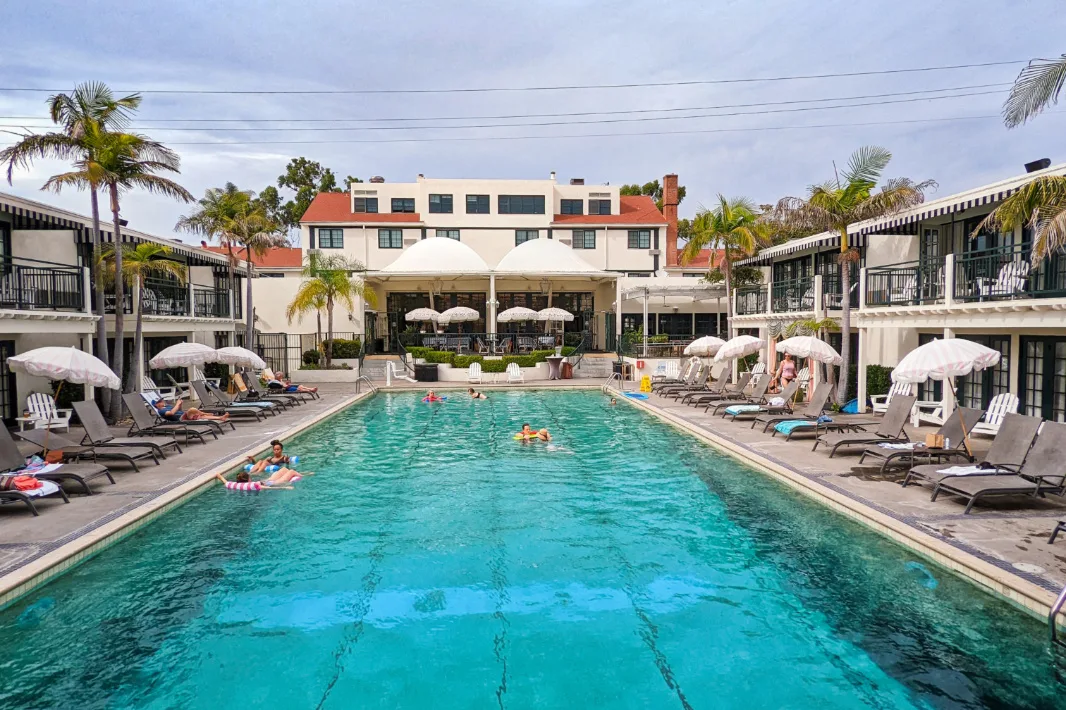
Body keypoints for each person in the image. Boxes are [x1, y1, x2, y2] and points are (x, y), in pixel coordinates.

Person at [153, 397, 229, 423]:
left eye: (162, 400)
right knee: (192, 409)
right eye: (160, 401)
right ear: (156, 405)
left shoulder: (167, 406)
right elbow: (171, 413)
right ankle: (203, 413)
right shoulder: (161, 411)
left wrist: (180, 404)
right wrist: (176, 404)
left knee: (201, 417)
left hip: (184, 414)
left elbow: (178, 410)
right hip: (181, 418)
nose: (162, 402)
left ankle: (220, 418)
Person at [216, 472, 292, 491]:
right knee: (290, 472)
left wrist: (220, 477)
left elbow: (225, 481)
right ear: (248, 479)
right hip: (269, 483)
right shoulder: (254, 485)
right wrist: (285, 487)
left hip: (265, 482)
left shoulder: (234, 485)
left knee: (273, 477)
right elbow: (268, 488)